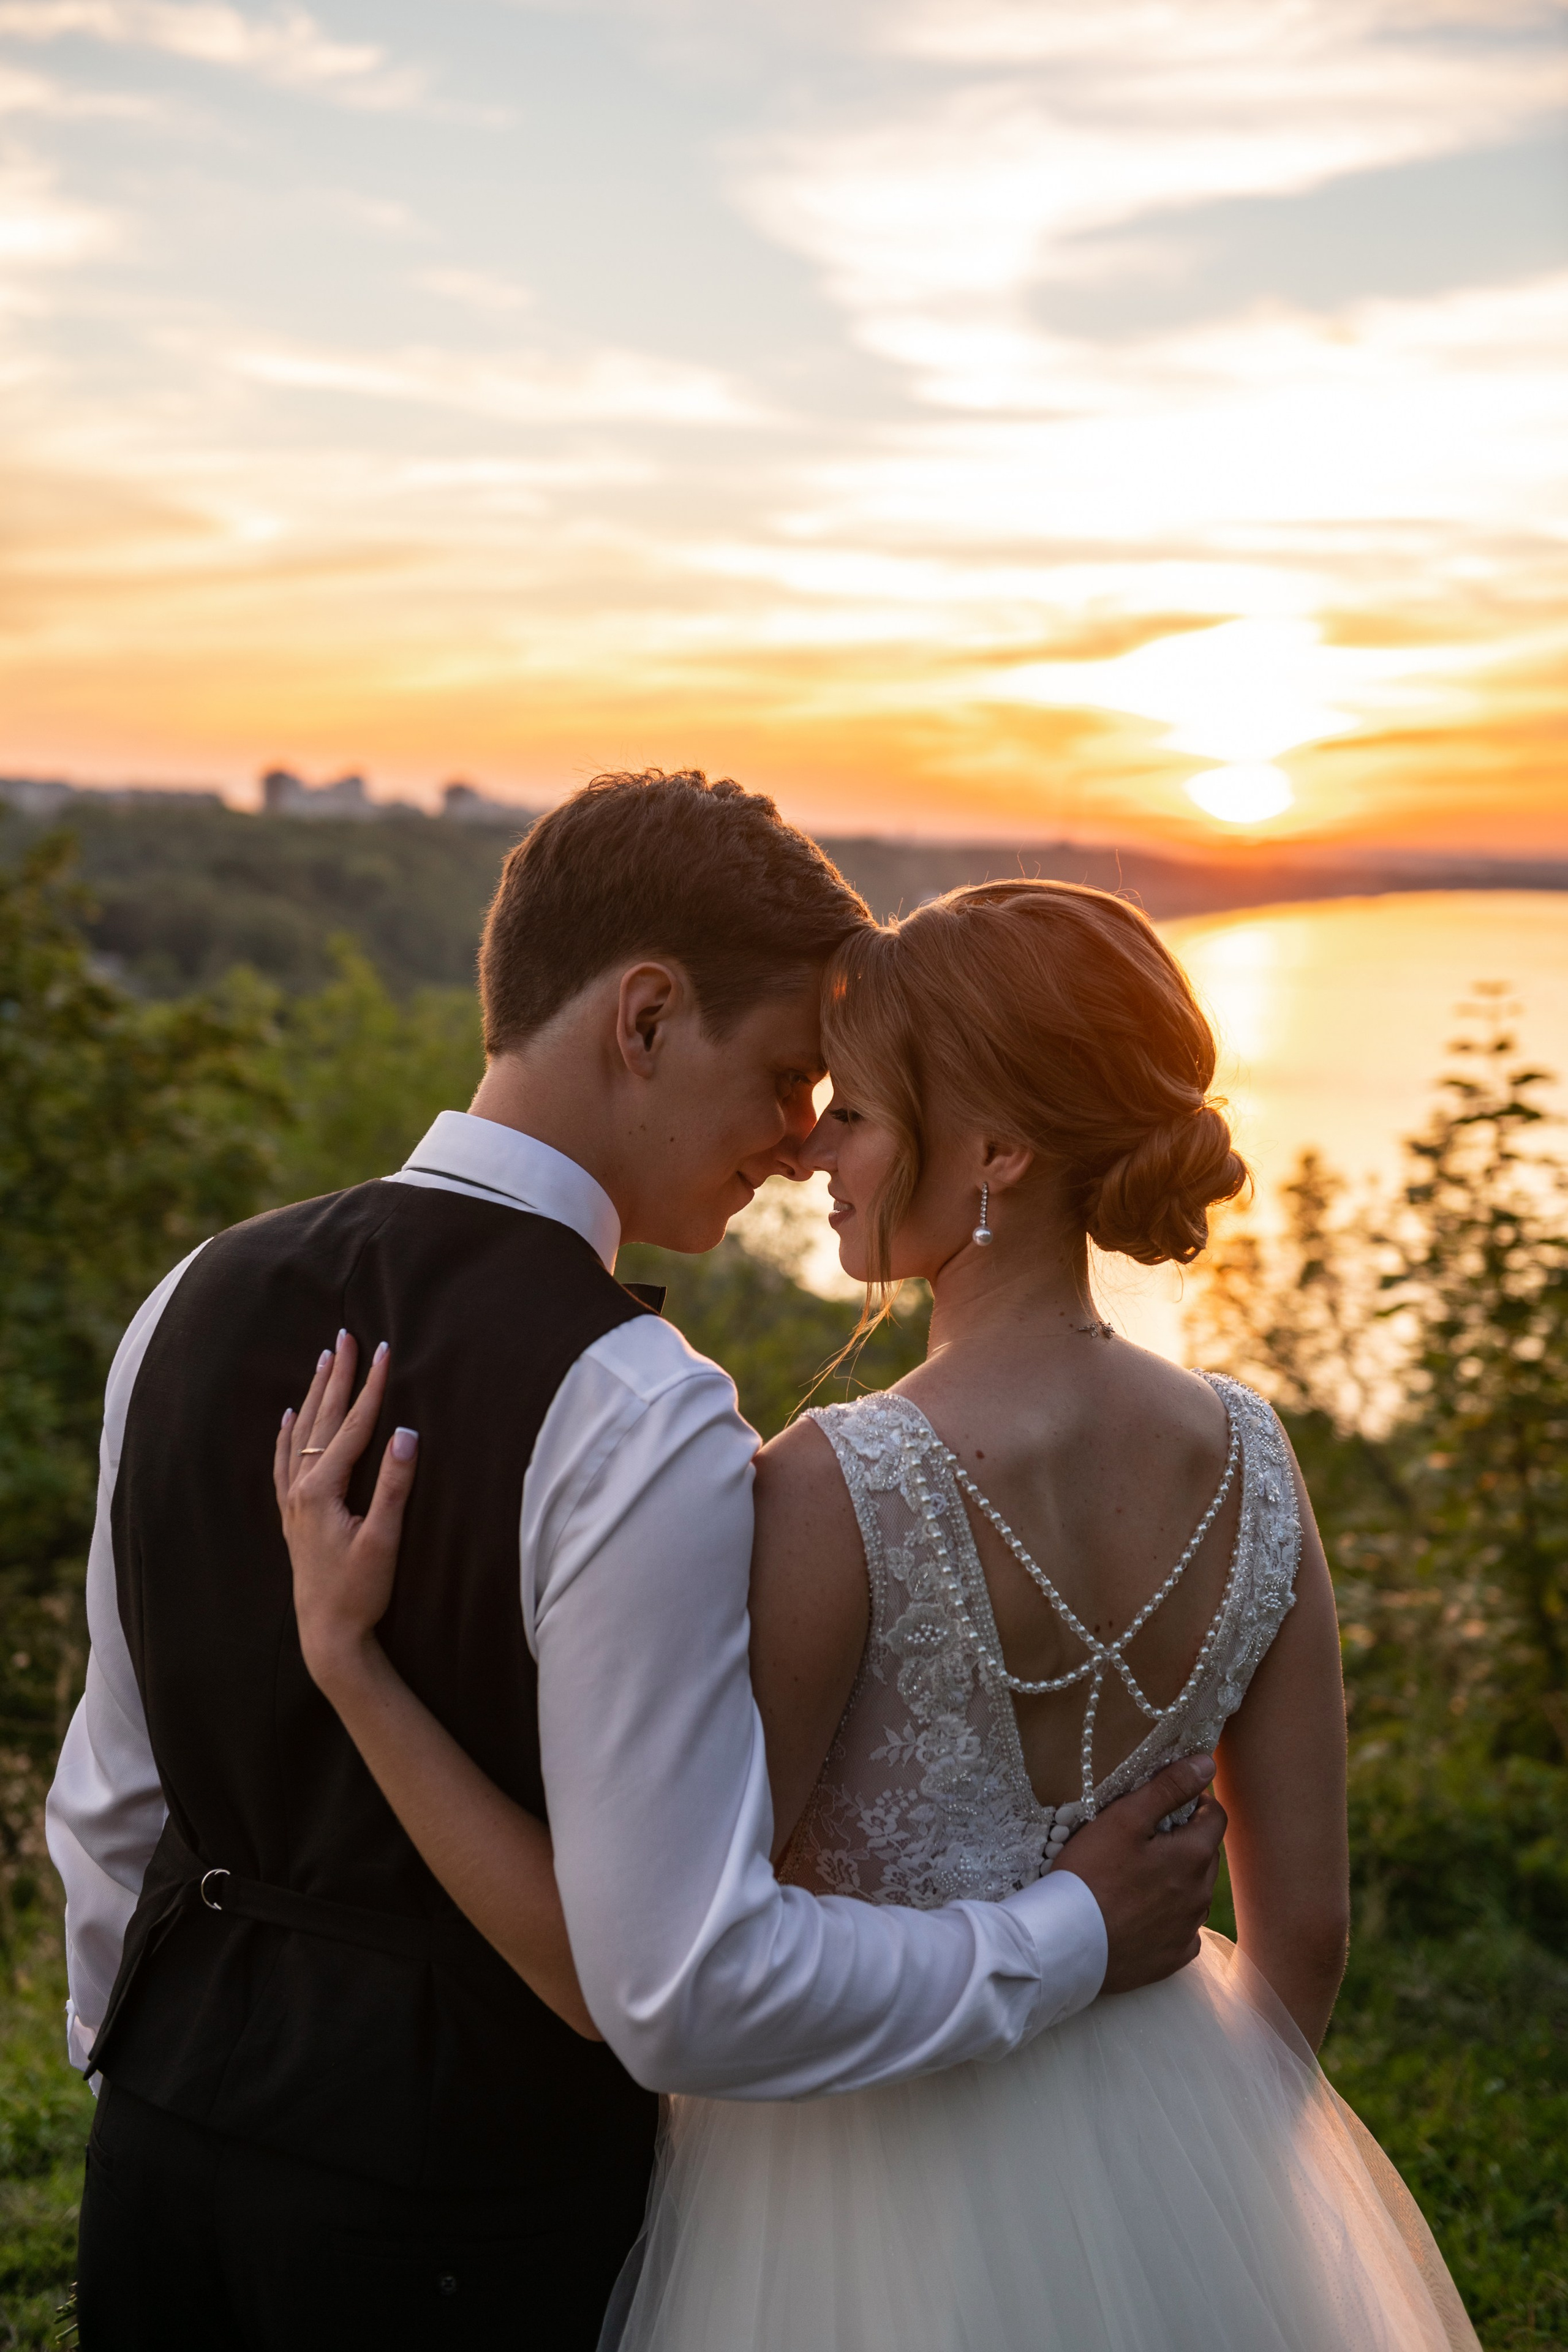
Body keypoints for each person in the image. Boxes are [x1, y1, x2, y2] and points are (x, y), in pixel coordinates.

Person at [46, 776, 1223, 2352]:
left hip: (161, 2164)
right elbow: (680, 1988)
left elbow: (112, 1796)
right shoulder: (635, 1405)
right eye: (787, 1071)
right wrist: (1066, 1932)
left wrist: (144, 2068)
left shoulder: (190, 1295)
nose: (805, 1136)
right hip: (455, 2222)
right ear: (645, 1018)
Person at [279, 876, 1479, 2351]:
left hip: (856, 2192)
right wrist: (1213, 2178)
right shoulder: (1251, 1454)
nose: (809, 1151)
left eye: (851, 1113)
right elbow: (1303, 1925)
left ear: (995, 1150)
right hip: (1188, 2139)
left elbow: (677, 1952)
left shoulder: (840, 1485)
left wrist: (353, 1667)